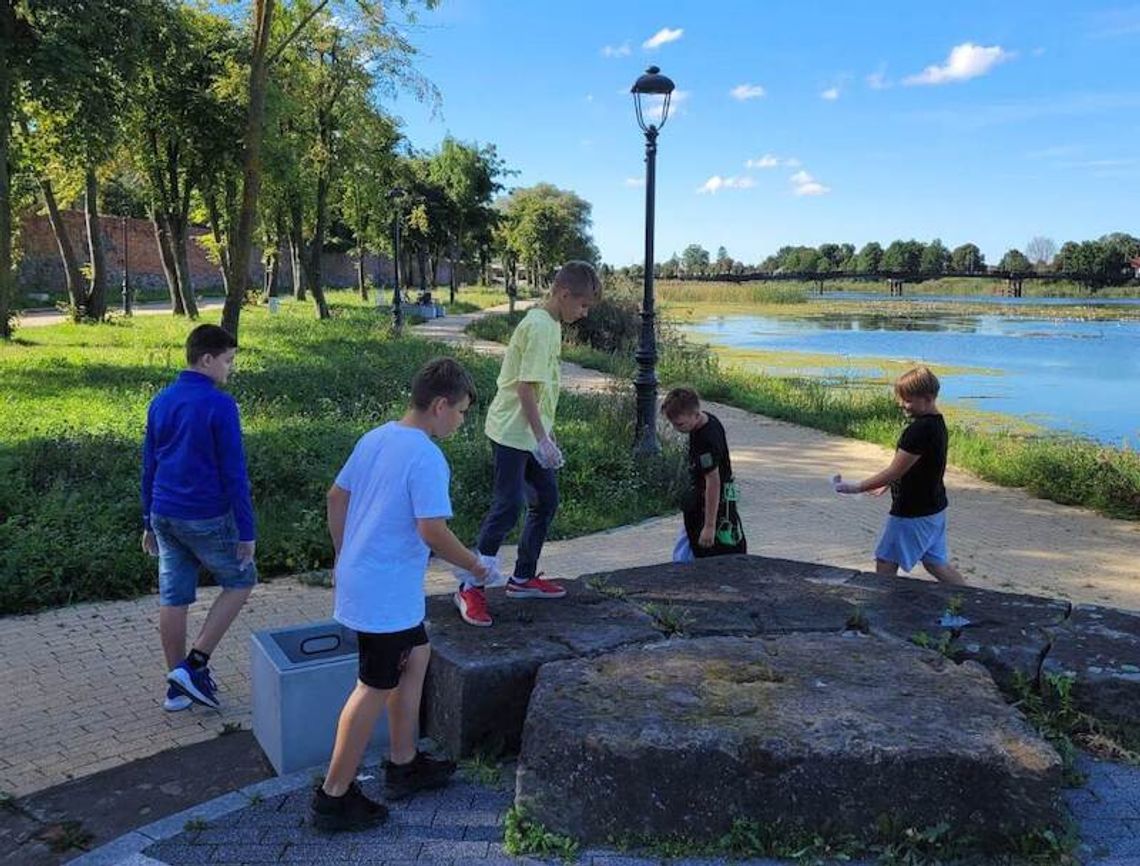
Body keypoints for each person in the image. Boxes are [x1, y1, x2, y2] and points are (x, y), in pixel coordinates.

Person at [311, 358, 497, 832]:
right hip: (385, 592)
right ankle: (334, 798)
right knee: (374, 685)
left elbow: (337, 497)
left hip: (368, 579)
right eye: (460, 412)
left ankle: (404, 761)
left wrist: (344, 554)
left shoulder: (376, 437)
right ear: (439, 406)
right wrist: (474, 566)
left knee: (416, 654)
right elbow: (432, 530)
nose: (461, 421)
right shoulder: (427, 455)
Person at [453, 261, 601, 627]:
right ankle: (470, 587)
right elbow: (525, 388)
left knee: (546, 499)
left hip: (530, 434)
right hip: (512, 433)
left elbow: (542, 390)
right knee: (508, 505)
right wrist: (541, 440)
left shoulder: (550, 325)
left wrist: (547, 436)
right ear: (564, 294)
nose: (583, 314)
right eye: (582, 306)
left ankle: (522, 578)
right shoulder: (538, 326)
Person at [141, 324, 257, 713]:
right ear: (206, 359)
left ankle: (176, 689)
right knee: (242, 580)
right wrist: (247, 530)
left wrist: (146, 520)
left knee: (173, 598)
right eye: (228, 361)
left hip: (164, 514)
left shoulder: (161, 400)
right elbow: (234, 472)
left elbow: (149, 465)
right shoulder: (220, 404)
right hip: (205, 516)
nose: (230, 369)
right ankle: (195, 664)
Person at [833, 366, 966, 585]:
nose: (902, 405)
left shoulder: (918, 431)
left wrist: (856, 487)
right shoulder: (937, 424)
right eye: (902, 399)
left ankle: (884, 609)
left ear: (928, 398)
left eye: (908, 400)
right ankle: (970, 601)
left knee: (885, 562)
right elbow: (911, 467)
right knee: (935, 563)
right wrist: (886, 485)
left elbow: (895, 470)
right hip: (934, 508)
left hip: (912, 512)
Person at [660, 387, 747, 562]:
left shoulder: (705, 440)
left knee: (712, 550)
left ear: (695, 414)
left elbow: (713, 481)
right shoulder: (708, 420)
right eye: (674, 424)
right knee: (685, 549)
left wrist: (709, 526)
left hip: (710, 506)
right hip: (707, 503)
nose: (677, 429)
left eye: (680, 424)